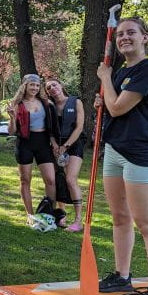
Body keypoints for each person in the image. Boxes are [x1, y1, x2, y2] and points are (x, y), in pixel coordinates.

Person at [96, 17, 148, 295]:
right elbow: (111, 107)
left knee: (146, 223)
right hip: (114, 149)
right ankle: (123, 276)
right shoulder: (122, 72)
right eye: (120, 34)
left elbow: (117, 106)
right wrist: (101, 100)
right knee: (119, 217)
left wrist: (105, 79)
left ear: (145, 37)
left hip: (139, 152)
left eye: (131, 33)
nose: (124, 37)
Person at [6, 73, 57, 227]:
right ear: (25, 86)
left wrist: (55, 143)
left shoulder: (45, 103)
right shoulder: (17, 104)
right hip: (25, 143)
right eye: (31, 85)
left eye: (36, 85)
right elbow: (11, 131)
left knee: (50, 179)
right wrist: (12, 117)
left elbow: (53, 125)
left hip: (42, 142)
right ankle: (30, 214)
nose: (34, 88)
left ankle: (50, 213)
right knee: (25, 179)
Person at [44, 77, 86, 231]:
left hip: (74, 144)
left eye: (54, 85)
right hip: (57, 146)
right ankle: (61, 215)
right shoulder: (49, 107)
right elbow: (49, 130)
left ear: (60, 85)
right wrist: (55, 146)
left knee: (70, 179)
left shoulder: (76, 102)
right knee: (59, 179)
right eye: (48, 88)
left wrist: (66, 146)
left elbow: (79, 127)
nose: (52, 88)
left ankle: (78, 220)